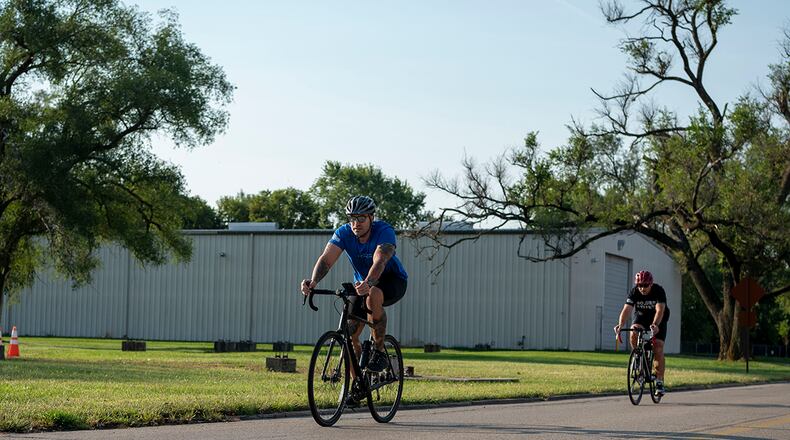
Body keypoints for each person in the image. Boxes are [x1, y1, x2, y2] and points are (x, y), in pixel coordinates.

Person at [300, 196, 408, 404]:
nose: (356, 224)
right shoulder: (344, 233)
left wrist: (369, 282)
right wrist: (313, 282)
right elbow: (326, 259)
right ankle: (358, 383)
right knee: (349, 335)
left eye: (361, 219)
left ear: (371, 218)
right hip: (362, 284)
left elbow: (380, 259)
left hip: (391, 280)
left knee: (374, 295)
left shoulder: (384, 231)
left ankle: (378, 351)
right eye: (352, 219)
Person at [614, 270, 670, 396]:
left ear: (651, 284)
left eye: (645, 285)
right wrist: (620, 325)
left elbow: (660, 309)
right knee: (634, 330)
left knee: (658, 347)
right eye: (640, 285)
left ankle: (659, 381)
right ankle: (638, 355)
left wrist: (655, 325)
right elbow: (627, 309)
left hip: (659, 318)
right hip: (642, 316)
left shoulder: (658, 291)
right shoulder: (634, 292)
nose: (642, 288)